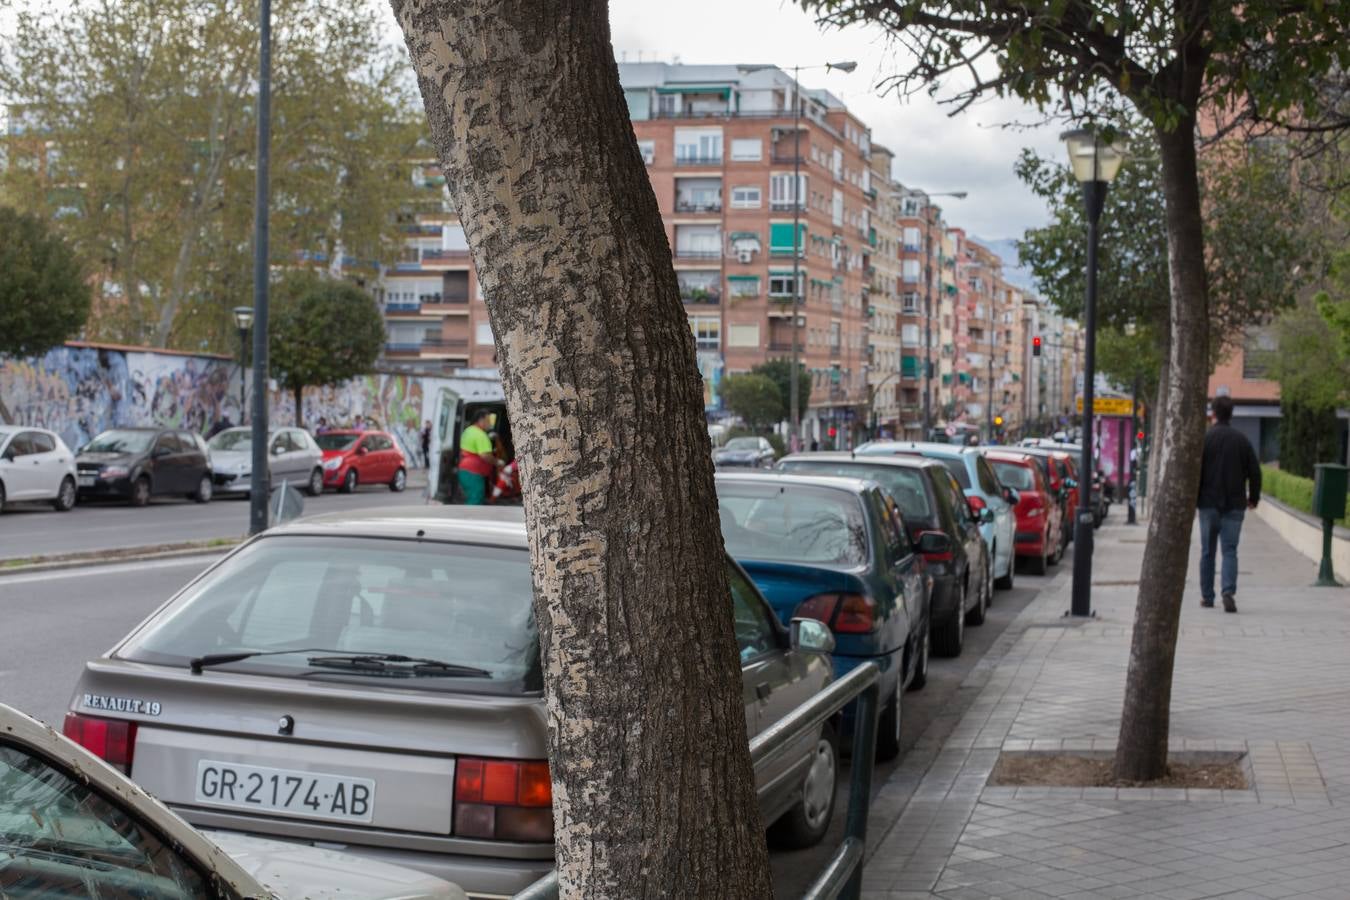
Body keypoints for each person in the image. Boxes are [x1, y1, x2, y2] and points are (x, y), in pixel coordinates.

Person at [1197, 395, 1261, 613]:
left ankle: (1207, 597)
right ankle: (1228, 591)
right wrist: (1253, 498)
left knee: (1207, 551)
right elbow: (1255, 471)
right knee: (1230, 550)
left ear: (1213, 414)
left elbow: (1195, 473)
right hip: (1234, 504)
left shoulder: (1205, 440)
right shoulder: (1242, 441)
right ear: (1231, 414)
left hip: (1207, 504)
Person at [457, 409, 498, 505]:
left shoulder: (468, 430)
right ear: (481, 420)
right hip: (473, 473)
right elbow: (485, 455)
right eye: (488, 421)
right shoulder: (480, 435)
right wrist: (497, 462)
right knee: (475, 500)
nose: (490, 424)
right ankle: (470, 519)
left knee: (472, 497)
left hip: (464, 470)